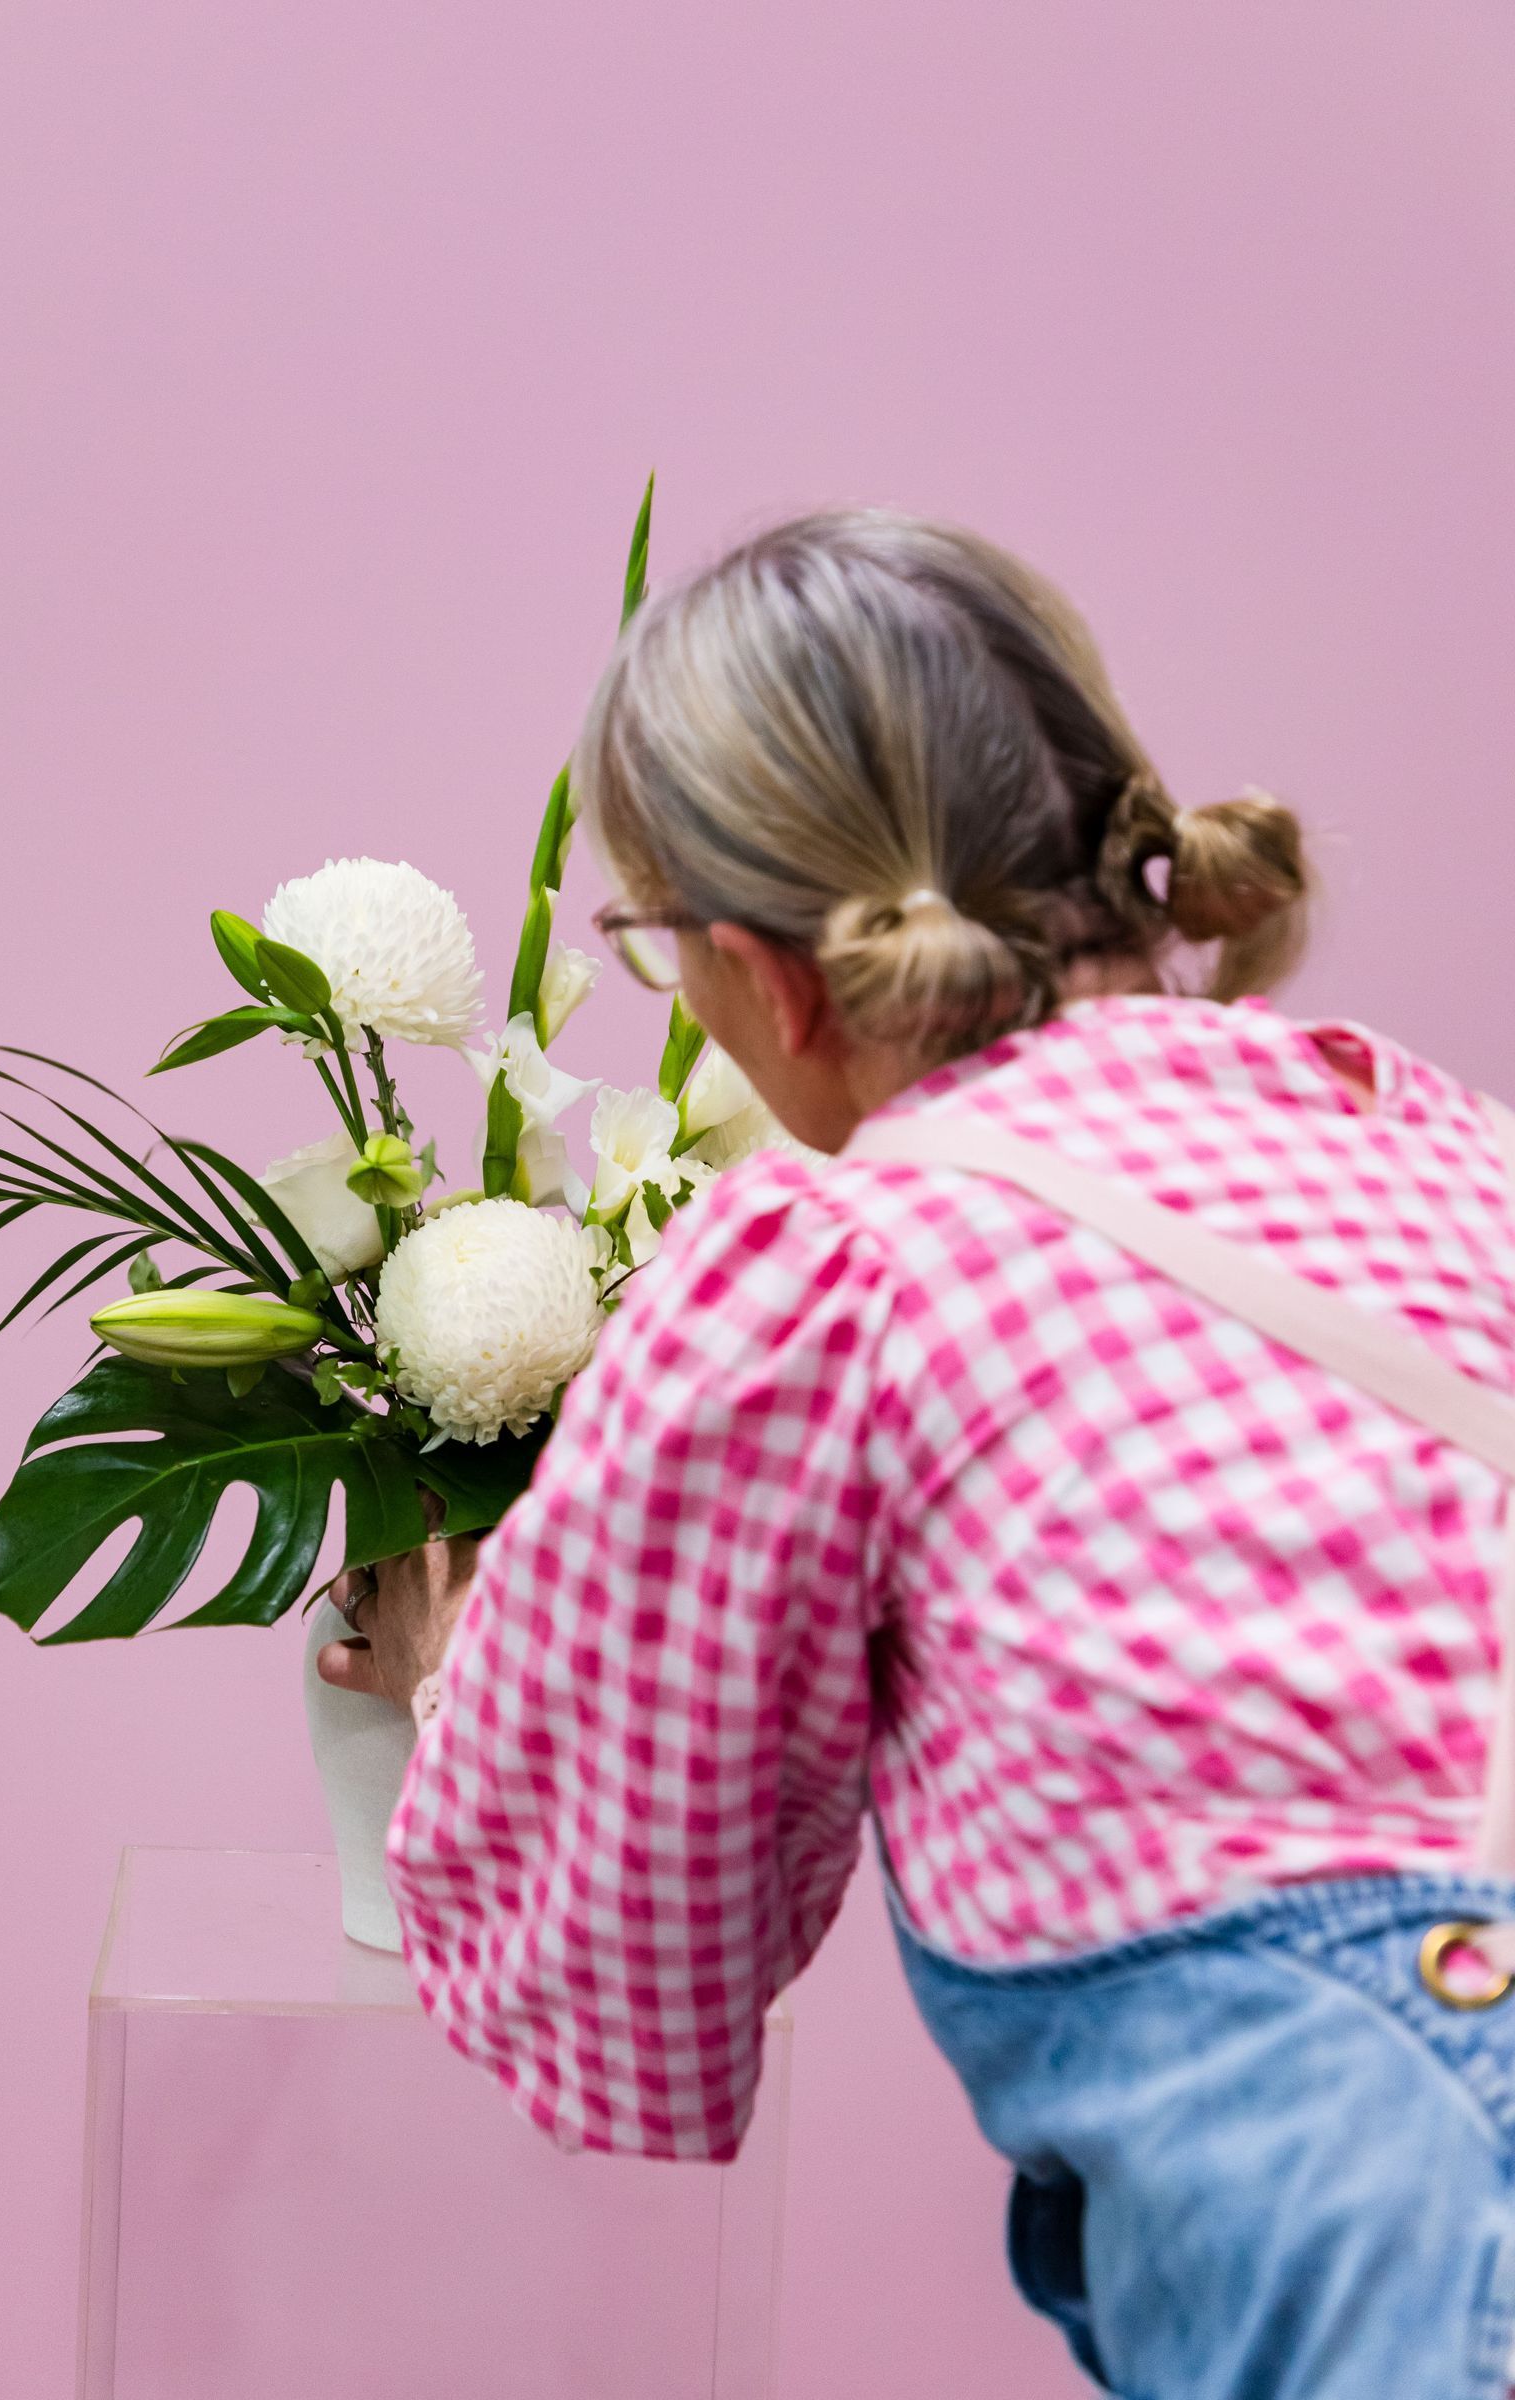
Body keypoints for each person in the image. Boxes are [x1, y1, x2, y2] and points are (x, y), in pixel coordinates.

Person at [315, 509, 1515, 2398]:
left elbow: (627, 1982)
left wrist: (457, 1676)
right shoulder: (1438, 1140)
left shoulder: (834, 1269)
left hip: (1410, 2226)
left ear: (765, 977)